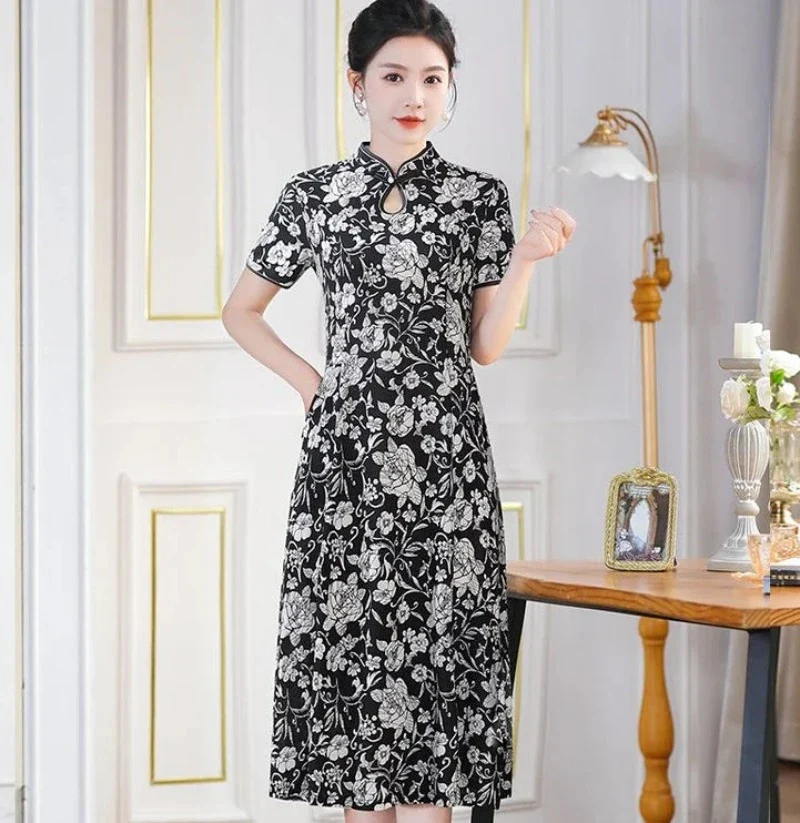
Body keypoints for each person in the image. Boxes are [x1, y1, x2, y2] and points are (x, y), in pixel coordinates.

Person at [222, 1, 576, 820]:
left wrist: (525, 261)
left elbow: (486, 345)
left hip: (445, 466)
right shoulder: (316, 195)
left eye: (432, 79)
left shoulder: (477, 198)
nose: (414, 95)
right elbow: (241, 311)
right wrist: (312, 383)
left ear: (449, 89)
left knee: (436, 695)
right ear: (359, 84)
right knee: (355, 700)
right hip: (345, 467)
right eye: (394, 76)